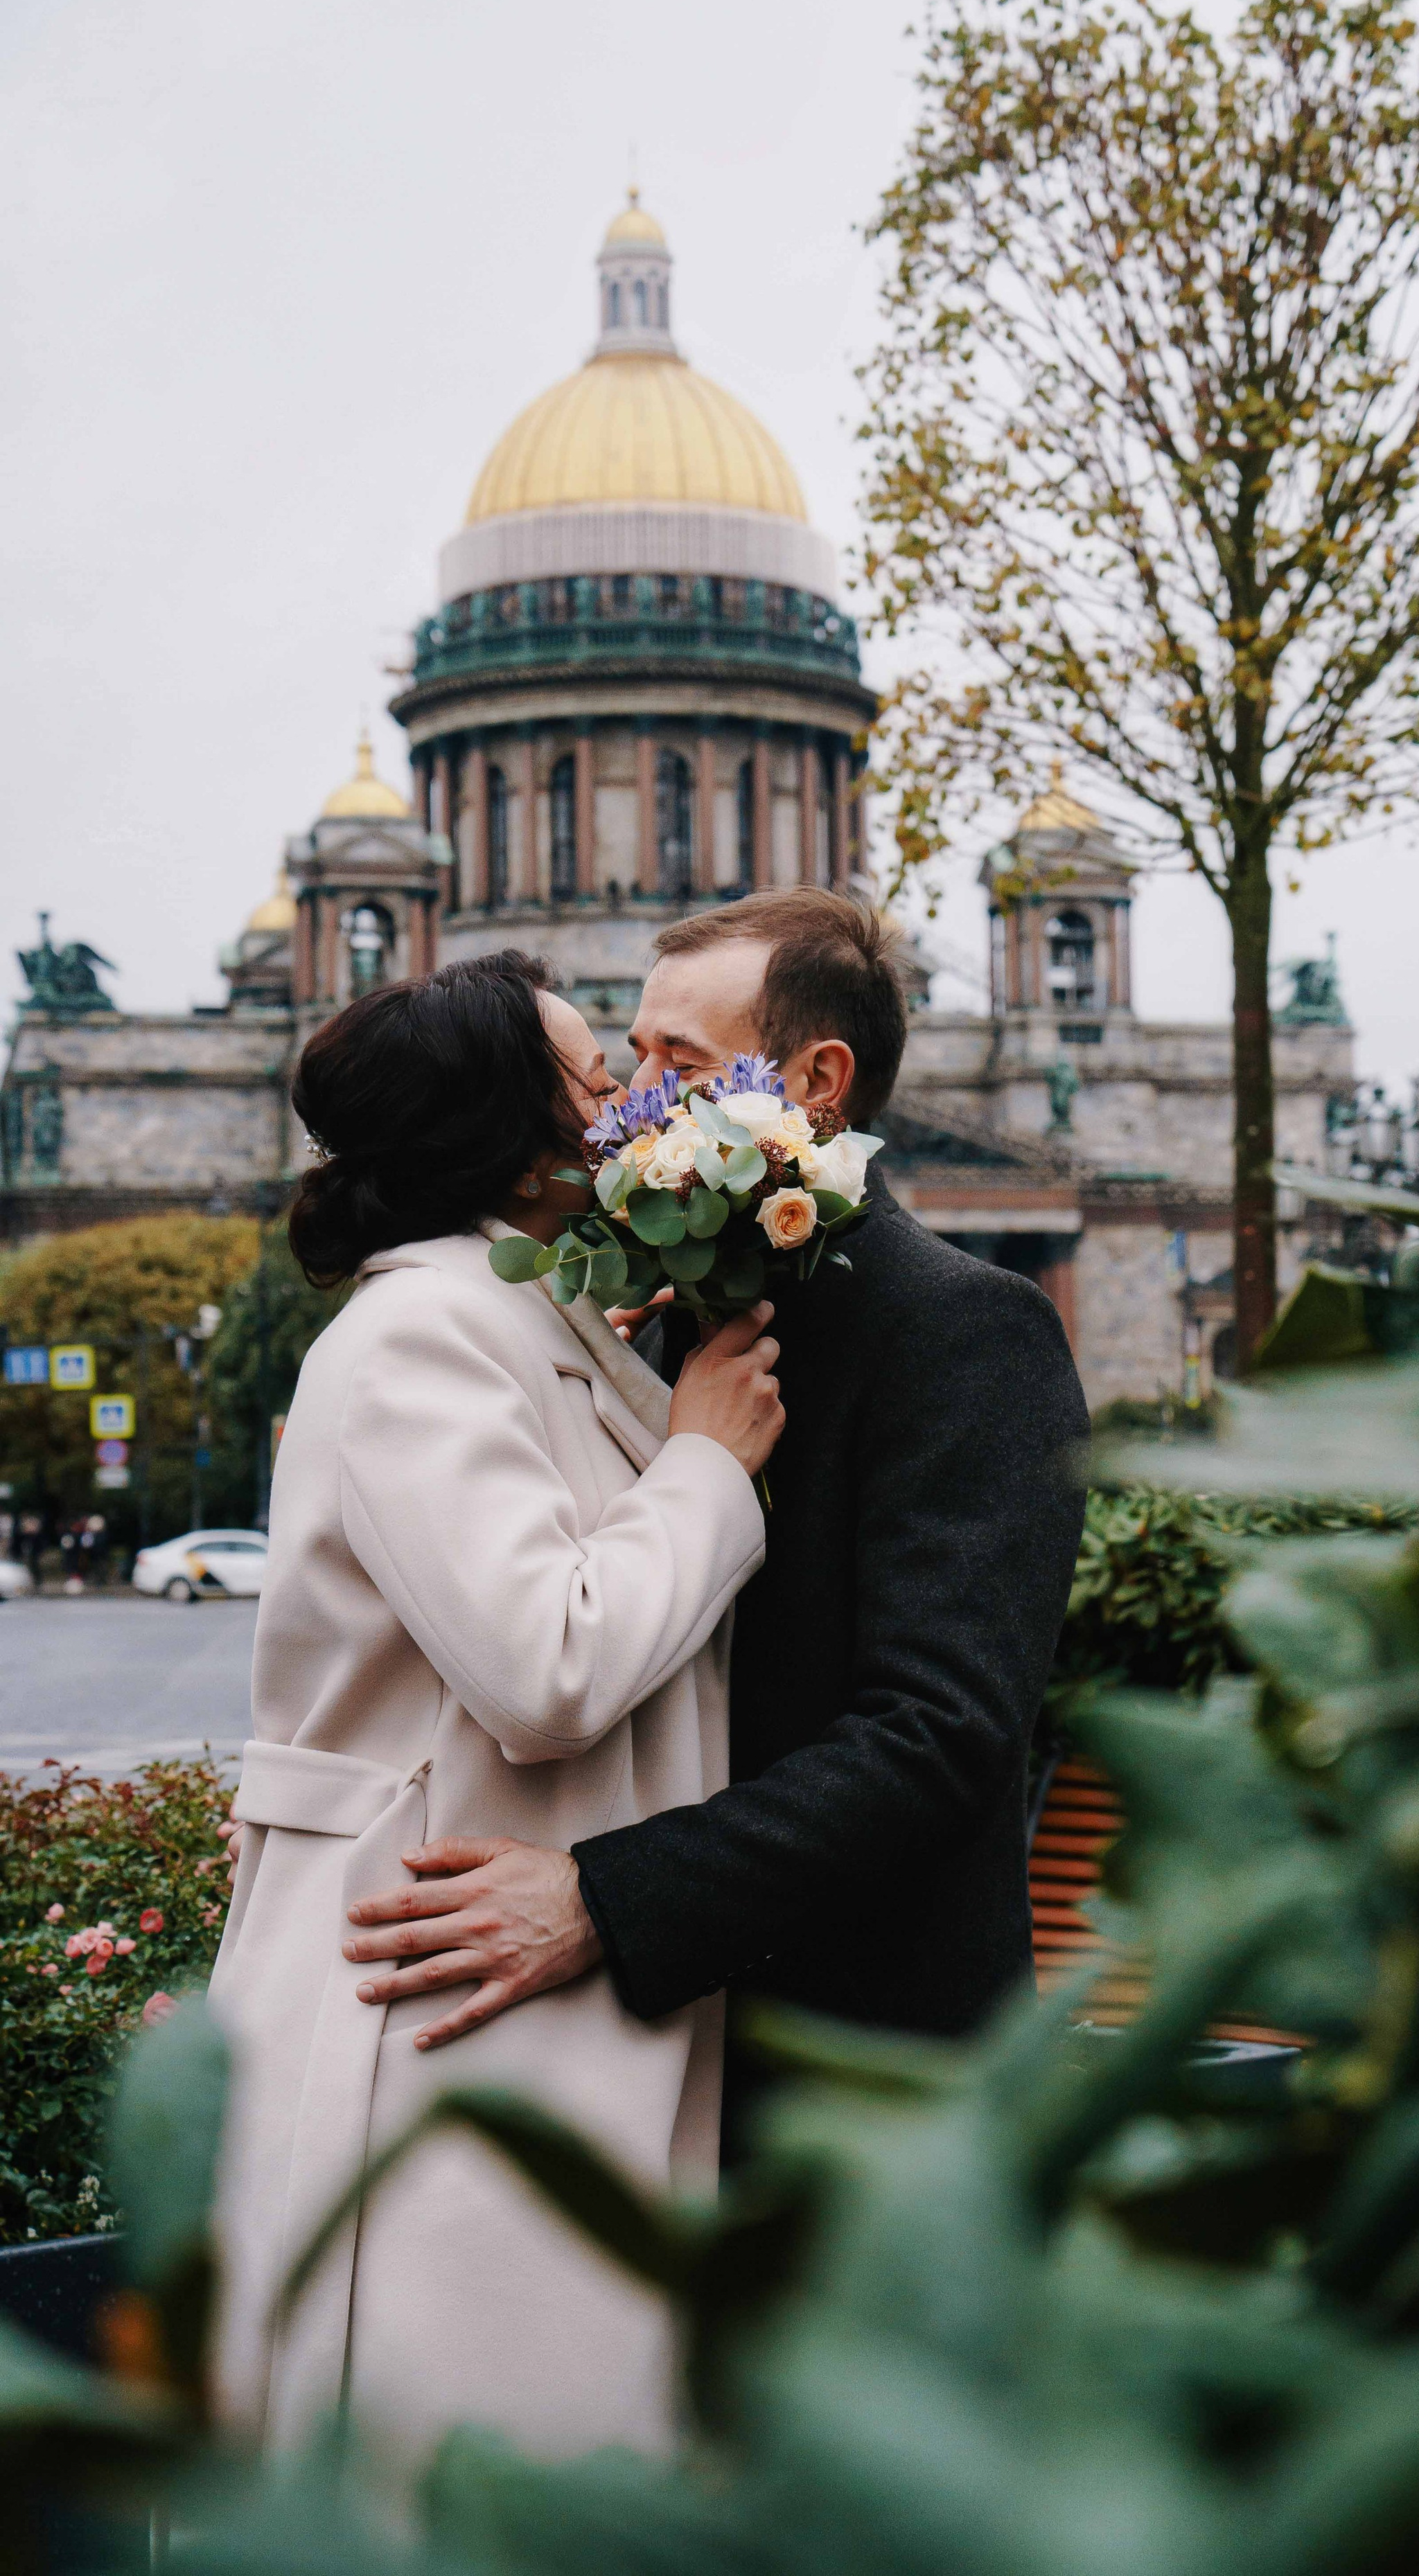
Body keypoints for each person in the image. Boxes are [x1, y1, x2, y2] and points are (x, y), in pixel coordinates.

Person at [341, 890, 1089, 2140]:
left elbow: (939, 1736)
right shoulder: (651, 1311)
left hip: (862, 2088)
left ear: (820, 1081)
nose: (619, 1099)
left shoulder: (969, 1332)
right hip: (640, 2072)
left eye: (674, 1060)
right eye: (628, 1054)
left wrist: (608, 1900)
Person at [207, 948, 782, 2477]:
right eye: (598, 1083)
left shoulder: (534, 1318)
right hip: (441, 1999)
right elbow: (547, 1664)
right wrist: (710, 1461)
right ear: (514, 1141)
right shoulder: (416, 1336)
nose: (632, 1109)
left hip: (524, 1976)